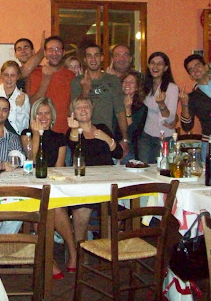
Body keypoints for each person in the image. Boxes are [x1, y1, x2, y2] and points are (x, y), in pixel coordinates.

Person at [21, 98, 76, 277]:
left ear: (52, 116)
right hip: (31, 185)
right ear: (34, 116)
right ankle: (48, 258)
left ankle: (73, 251)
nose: (43, 116)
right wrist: (37, 135)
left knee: (55, 206)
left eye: (47, 113)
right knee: (42, 206)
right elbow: (31, 160)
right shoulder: (26, 134)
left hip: (53, 185)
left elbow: (58, 168)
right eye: (39, 113)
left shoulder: (59, 138)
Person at [66, 97, 122, 244]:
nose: (83, 109)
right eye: (78, 107)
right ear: (73, 113)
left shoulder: (102, 128)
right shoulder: (73, 132)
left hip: (107, 183)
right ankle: (79, 249)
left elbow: (119, 153)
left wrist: (107, 139)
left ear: (92, 110)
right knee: (81, 208)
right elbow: (72, 143)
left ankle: (108, 250)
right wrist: (74, 129)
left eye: (86, 106)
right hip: (85, 184)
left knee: (116, 209)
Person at [70, 43, 129, 156]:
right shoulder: (77, 81)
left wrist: (125, 139)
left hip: (106, 135)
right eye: (89, 56)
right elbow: (73, 111)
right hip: (82, 136)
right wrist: (85, 90)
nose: (93, 59)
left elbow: (120, 112)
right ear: (85, 60)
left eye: (96, 55)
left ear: (102, 58)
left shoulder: (113, 80)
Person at [28, 36, 74, 134]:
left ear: (63, 52)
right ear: (45, 53)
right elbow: (32, 105)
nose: (54, 53)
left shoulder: (70, 76)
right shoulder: (34, 74)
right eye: (50, 49)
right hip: (40, 133)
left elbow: (74, 106)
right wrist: (45, 80)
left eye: (58, 49)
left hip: (65, 133)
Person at [138, 52, 179, 163]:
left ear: (165, 68)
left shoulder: (172, 88)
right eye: (152, 63)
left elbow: (170, 120)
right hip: (146, 135)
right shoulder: (145, 85)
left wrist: (161, 104)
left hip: (164, 137)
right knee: (144, 168)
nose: (155, 66)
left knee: (162, 169)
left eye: (160, 64)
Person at [0, 60, 30, 135]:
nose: (9, 79)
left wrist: (19, 107)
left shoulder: (24, 97)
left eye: (12, 75)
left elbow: (23, 128)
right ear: (1, 75)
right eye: (6, 75)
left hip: (16, 137)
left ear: (18, 76)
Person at [118, 71, 148, 163]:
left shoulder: (141, 107)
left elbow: (133, 132)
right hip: (114, 146)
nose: (127, 84)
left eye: (131, 82)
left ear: (137, 87)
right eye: (124, 81)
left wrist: (128, 109)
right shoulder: (115, 102)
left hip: (131, 149)